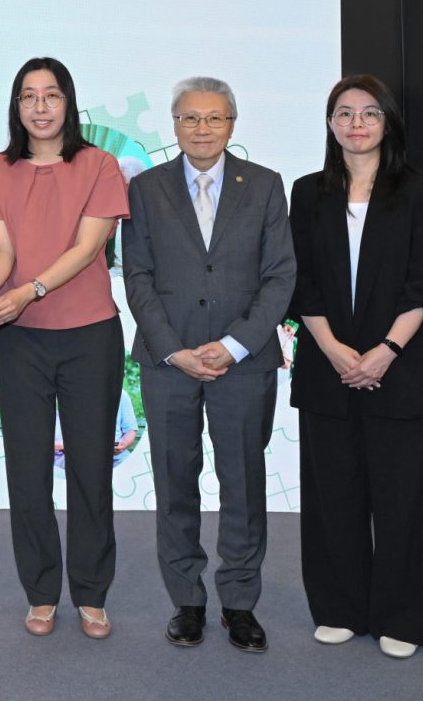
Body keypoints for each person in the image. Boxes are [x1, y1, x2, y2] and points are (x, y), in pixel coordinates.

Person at [121, 76, 295, 653]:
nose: (202, 128)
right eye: (191, 118)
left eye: (214, 118)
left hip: (243, 363)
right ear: (174, 125)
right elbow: (138, 276)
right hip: (168, 361)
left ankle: (240, 604)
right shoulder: (144, 189)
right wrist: (172, 347)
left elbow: (280, 276)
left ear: (232, 125)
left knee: (242, 483)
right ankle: (188, 602)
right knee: (175, 483)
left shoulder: (267, 186)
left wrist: (236, 344)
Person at [289, 74, 423, 659]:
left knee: (401, 498)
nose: (357, 124)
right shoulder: (309, 193)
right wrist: (332, 349)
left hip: (400, 367)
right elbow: (301, 282)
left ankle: (401, 618)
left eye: (369, 113)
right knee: (334, 494)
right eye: (344, 113)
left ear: (388, 123)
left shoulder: (421, 189)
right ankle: (338, 608)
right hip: (327, 364)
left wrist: (386, 351)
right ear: (330, 124)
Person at [0, 57, 130, 639]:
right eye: (28, 96)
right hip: (19, 340)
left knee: (91, 466)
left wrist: (28, 292)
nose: (40, 107)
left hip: (90, 334)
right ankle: (41, 592)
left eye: (51, 95)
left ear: (69, 102)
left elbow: (90, 247)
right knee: (28, 467)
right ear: (16, 107)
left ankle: (91, 592)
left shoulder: (99, 164)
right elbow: (2, 255)